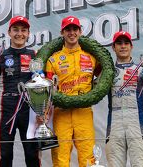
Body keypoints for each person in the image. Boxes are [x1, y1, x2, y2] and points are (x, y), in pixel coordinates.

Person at [0, 16, 40, 167]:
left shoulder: (35, 55)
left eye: (23, 30)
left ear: (28, 33)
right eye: (16, 30)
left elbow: (43, 84)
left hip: (29, 110)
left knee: (32, 155)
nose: (20, 33)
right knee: (4, 155)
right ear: (9, 32)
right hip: (6, 108)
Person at [45, 16, 101, 167]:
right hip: (61, 112)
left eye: (75, 29)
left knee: (88, 156)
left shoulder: (92, 57)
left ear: (80, 31)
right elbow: (47, 90)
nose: (71, 33)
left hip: (84, 112)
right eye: (67, 29)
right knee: (60, 157)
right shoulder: (53, 60)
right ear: (62, 32)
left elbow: (103, 79)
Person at [105, 31, 143, 167]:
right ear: (113, 47)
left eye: (126, 43)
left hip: (137, 124)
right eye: (119, 43)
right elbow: (95, 95)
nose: (123, 46)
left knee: (140, 164)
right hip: (114, 125)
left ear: (131, 46)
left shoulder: (142, 70)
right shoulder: (107, 72)